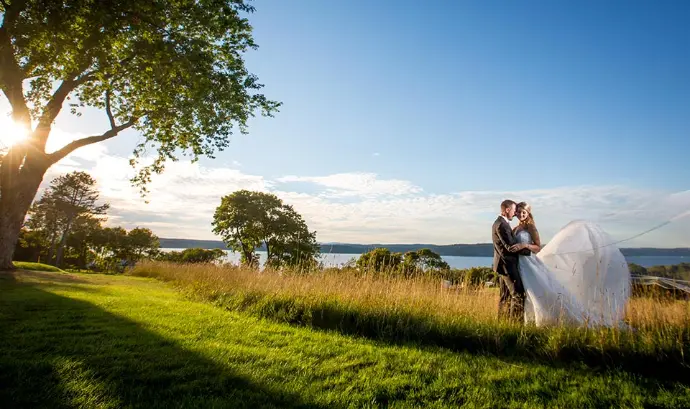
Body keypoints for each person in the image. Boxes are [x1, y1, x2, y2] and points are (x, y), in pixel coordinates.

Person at [511, 201, 631, 327]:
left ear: (528, 213)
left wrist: (524, 245)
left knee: (536, 291)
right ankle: (528, 319)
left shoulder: (531, 227)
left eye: (523, 212)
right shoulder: (516, 228)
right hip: (520, 262)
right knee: (528, 291)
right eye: (518, 212)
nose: (521, 214)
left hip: (529, 263)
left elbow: (537, 247)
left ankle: (543, 319)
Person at [492, 199, 532, 322]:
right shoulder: (501, 225)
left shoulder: (501, 223)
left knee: (505, 296)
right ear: (507, 210)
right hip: (507, 265)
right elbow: (510, 247)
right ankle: (515, 324)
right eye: (514, 210)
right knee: (518, 294)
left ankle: (502, 324)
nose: (515, 213)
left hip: (503, 265)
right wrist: (528, 251)